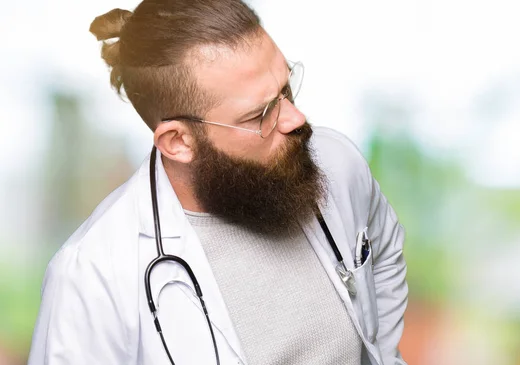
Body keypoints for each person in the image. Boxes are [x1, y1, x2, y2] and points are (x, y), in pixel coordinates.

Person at [27, 1, 409, 364]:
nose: (295, 118)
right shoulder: (91, 275)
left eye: (286, 89)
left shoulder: (335, 163)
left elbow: (384, 250)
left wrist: (387, 356)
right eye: (260, 114)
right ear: (178, 142)